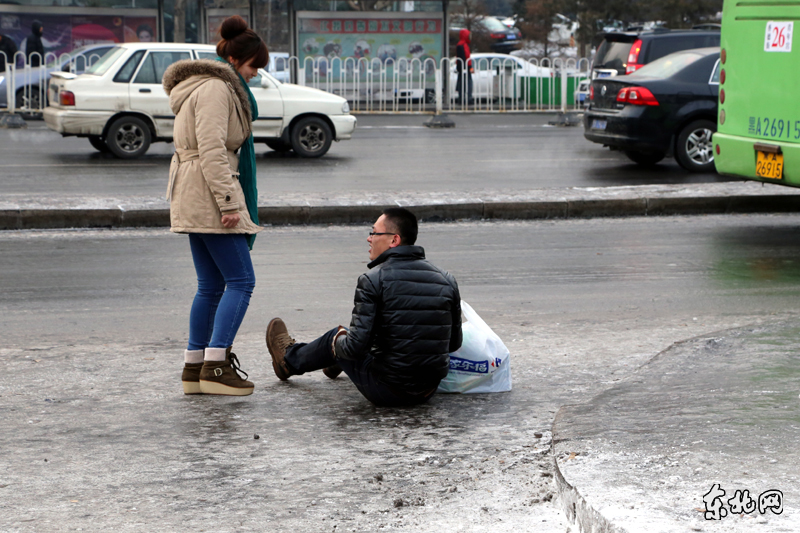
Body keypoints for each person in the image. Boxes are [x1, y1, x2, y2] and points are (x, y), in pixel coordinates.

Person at [162, 15, 268, 396]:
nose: (257, 74)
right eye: (255, 66)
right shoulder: (216, 89)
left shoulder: (203, 86)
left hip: (192, 190)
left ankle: (195, 368)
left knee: (210, 285)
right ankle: (217, 366)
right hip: (209, 194)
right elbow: (211, 149)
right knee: (242, 281)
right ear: (238, 61)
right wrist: (228, 202)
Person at [266, 208, 463, 407]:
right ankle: (333, 362)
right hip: (427, 390)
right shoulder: (446, 279)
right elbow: (454, 343)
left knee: (336, 337)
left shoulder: (374, 279)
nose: (369, 239)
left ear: (394, 240)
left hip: (388, 390)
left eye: (374, 233)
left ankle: (288, 361)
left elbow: (354, 347)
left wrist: (339, 343)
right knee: (366, 334)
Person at [455, 28, 474, 105]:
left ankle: (462, 98)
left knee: (462, 83)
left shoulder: (461, 44)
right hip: (465, 68)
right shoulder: (463, 45)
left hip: (462, 68)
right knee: (467, 83)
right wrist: (470, 67)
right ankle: (467, 99)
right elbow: (466, 57)